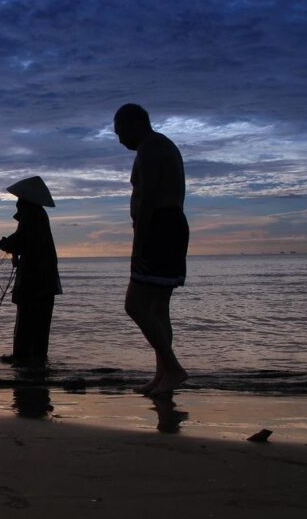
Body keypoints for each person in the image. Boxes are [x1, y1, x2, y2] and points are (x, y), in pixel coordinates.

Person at [113, 103, 190, 396]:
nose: (119, 140)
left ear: (134, 124)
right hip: (171, 228)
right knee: (158, 309)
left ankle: (172, 367)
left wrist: (139, 241)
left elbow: (145, 199)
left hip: (159, 229)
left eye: (120, 132)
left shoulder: (150, 149)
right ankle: (163, 375)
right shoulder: (162, 145)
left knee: (135, 305)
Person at [0, 176, 61, 368]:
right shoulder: (36, 214)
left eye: (19, 200)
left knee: (28, 321)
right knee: (38, 324)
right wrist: (6, 246)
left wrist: (3, 244)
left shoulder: (32, 214)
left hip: (36, 281)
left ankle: (24, 361)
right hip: (43, 280)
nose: (17, 204)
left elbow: (21, 240)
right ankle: (35, 362)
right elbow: (24, 241)